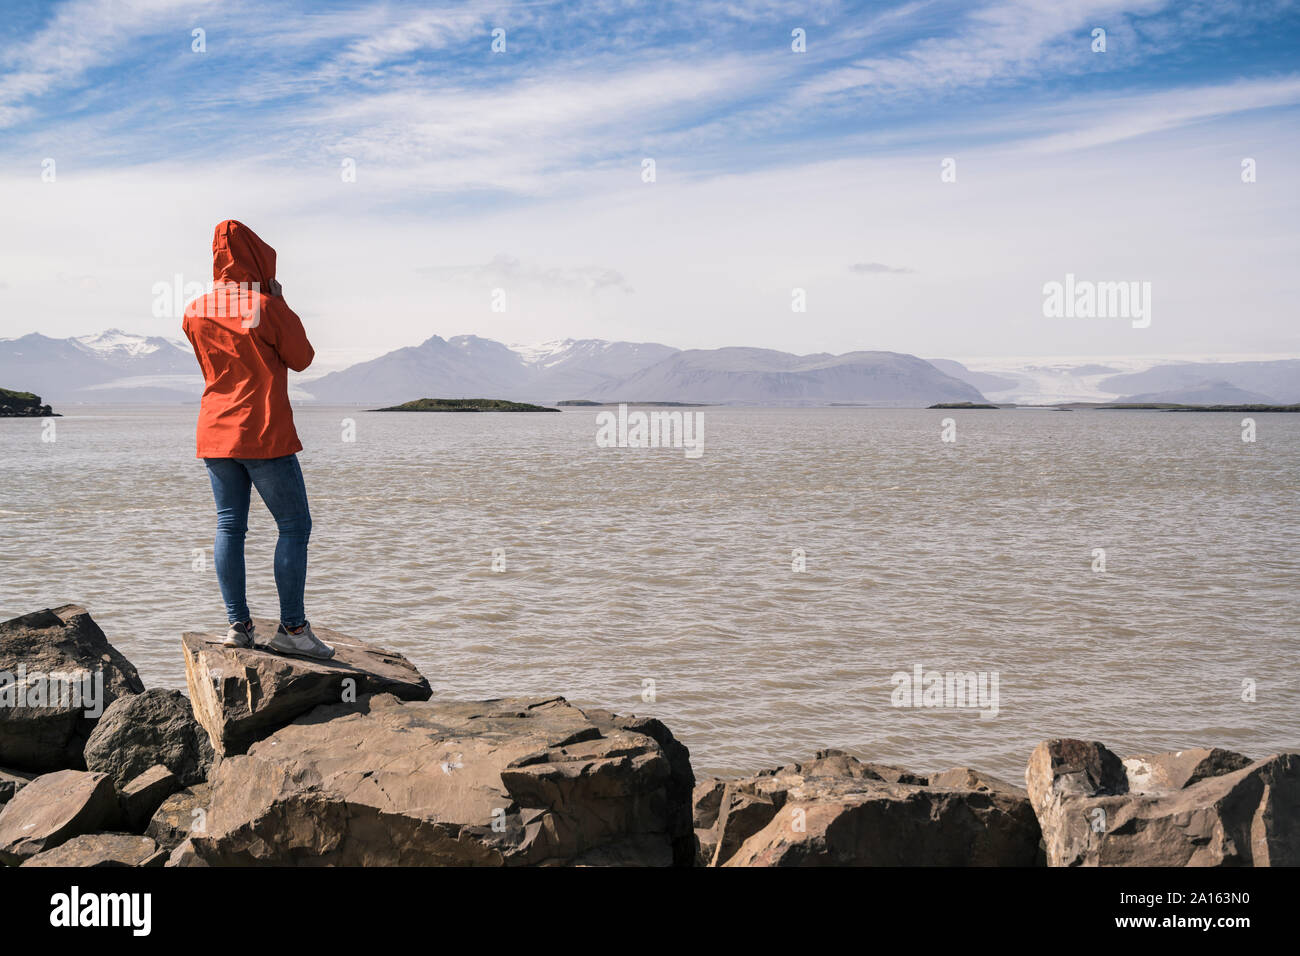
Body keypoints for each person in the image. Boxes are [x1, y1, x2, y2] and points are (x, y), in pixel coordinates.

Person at [182, 219, 334, 659]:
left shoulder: (194, 310)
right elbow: (302, 358)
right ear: (259, 258)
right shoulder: (264, 306)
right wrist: (277, 299)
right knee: (294, 526)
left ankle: (239, 626)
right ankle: (292, 629)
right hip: (263, 431)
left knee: (230, 526)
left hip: (215, 431)